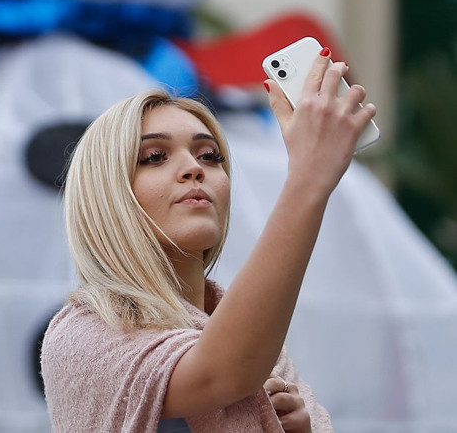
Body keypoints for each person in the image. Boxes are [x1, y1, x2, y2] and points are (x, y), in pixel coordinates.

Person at [41, 48, 377, 432]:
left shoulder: (263, 350)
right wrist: (308, 178)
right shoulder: (83, 335)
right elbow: (222, 374)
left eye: (210, 155)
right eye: (154, 156)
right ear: (106, 194)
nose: (193, 168)